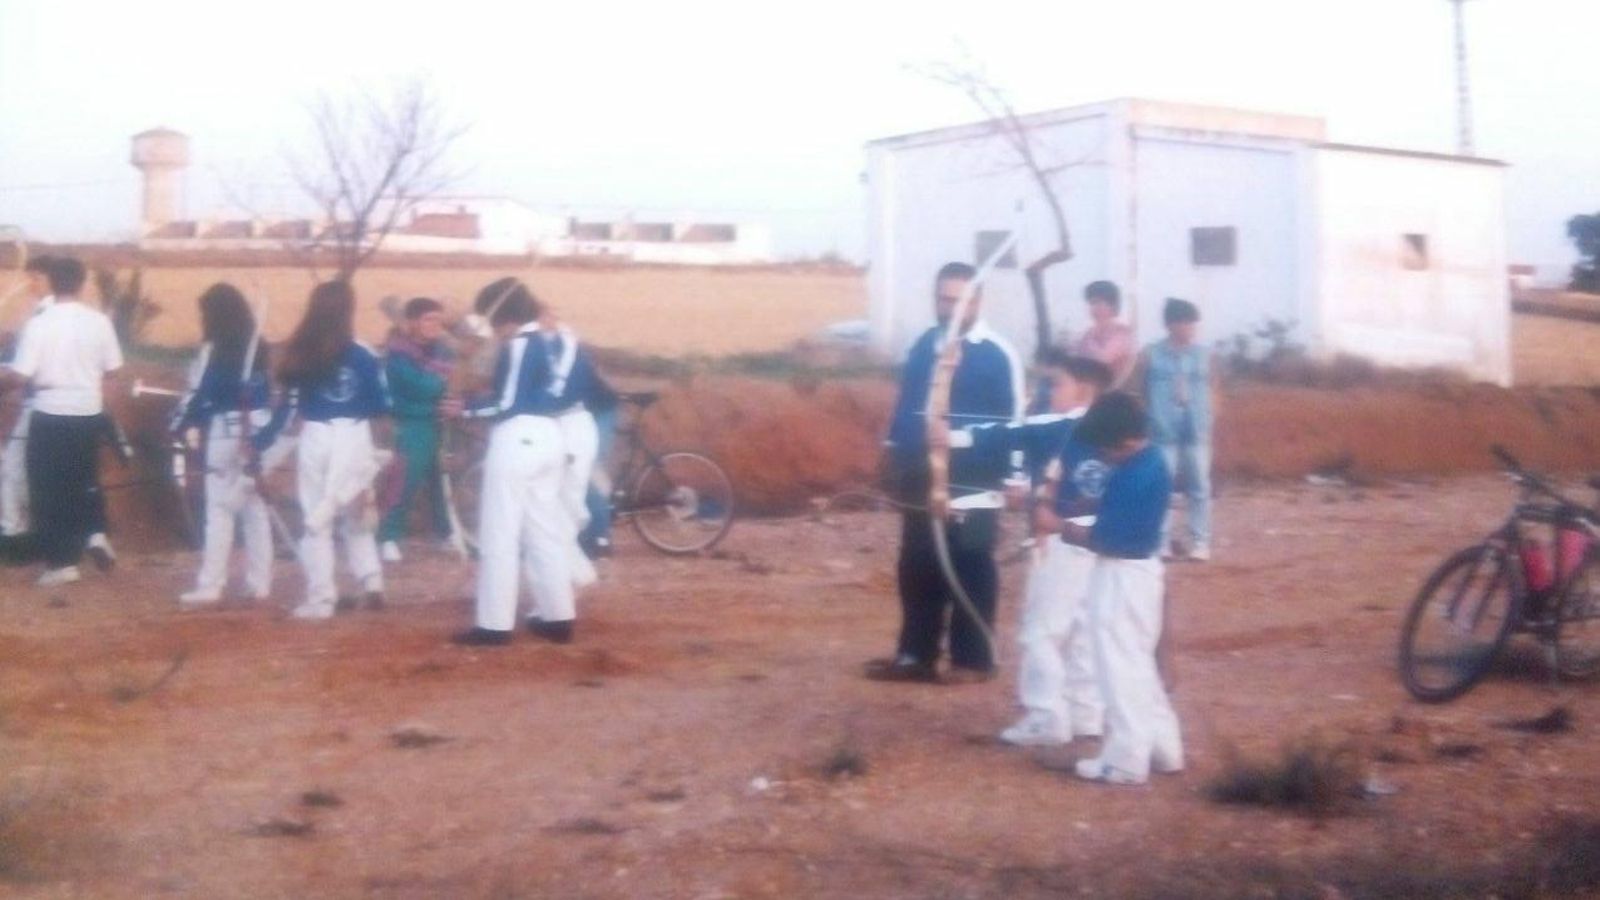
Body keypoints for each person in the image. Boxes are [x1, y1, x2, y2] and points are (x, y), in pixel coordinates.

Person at [943, 351, 1113, 746]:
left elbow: (1008, 434)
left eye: (1059, 384)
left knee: (1041, 632)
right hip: (1098, 544)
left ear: (1083, 391)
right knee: (1082, 629)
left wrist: (950, 436)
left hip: (1059, 541)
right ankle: (1086, 714)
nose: (1051, 390)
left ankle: (1046, 717)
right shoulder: (1111, 432)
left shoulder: (1059, 425)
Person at [868, 261, 1024, 684]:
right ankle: (915, 654)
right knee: (918, 561)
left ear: (976, 301)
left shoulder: (997, 353)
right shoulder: (923, 346)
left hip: (976, 477)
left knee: (970, 560)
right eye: (943, 299)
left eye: (958, 300)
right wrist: (893, 452)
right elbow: (907, 403)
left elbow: (1012, 420)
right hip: (921, 472)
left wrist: (1013, 476)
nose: (949, 308)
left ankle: (972, 659)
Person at [1062, 391, 1184, 785]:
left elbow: (1107, 539)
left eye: (1104, 447)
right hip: (1140, 573)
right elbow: (1113, 513)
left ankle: (1126, 759)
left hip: (1122, 574)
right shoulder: (1148, 462)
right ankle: (1163, 747)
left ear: (1125, 441)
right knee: (1137, 662)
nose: (1102, 454)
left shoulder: (1134, 471)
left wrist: (1064, 529)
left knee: (1118, 666)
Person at [253, 280, 390, 620]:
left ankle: (322, 598)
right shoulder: (365, 354)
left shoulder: (301, 352)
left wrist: (259, 443)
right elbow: (381, 404)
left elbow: (288, 411)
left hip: (318, 436)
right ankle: (371, 581)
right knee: (356, 510)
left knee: (316, 518)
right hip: (356, 437)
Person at [449, 279, 575, 646]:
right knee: (543, 531)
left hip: (518, 437)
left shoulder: (519, 345)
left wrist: (466, 408)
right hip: (550, 436)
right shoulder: (552, 342)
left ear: (504, 316)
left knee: (499, 532)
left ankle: (494, 624)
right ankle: (558, 616)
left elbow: (506, 404)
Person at [0, 256, 123, 587]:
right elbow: (112, 371)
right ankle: (94, 535)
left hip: (51, 411)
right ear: (82, 284)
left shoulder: (40, 323)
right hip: (87, 411)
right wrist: (101, 410)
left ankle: (60, 562)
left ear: (52, 282)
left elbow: (21, 375)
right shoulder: (99, 322)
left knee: (48, 489)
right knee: (81, 481)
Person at [171, 283, 276, 607]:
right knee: (253, 508)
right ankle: (259, 583)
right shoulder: (259, 346)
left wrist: (181, 424)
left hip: (226, 430)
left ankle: (211, 585)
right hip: (258, 427)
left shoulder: (215, 350)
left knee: (219, 509)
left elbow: (205, 395)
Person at [1135, 298, 1215, 562]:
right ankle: (1161, 541)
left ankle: (1200, 542)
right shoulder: (1150, 354)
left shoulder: (1205, 354)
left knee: (1199, 486)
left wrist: (1210, 417)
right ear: (1171, 324)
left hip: (1196, 428)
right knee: (1162, 486)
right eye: (1186, 322)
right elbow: (1140, 389)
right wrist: (1147, 419)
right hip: (1162, 426)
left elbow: (1214, 388)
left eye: (1193, 322)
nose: (1191, 327)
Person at [378, 297, 456, 563]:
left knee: (441, 481)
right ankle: (387, 536)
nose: (435, 325)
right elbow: (426, 386)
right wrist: (442, 381)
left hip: (437, 422)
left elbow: (445, 382)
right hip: (412, 424)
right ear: (412, 323)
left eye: (438, 319)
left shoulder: (440, 352)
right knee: (404, 480)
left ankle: (445, 532)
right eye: (428, 319)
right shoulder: (399, 355)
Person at [0, 254, 55, 553]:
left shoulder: (42, 318)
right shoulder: (42, 315)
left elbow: (23, 370)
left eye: (34, 278)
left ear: (47, 278)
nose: (30, 284)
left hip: (40, 403)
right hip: (51, 403)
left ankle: (14, 534)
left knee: (14, 467)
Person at [1072, 281, 1136, 388]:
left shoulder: (1123, 334)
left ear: (1112, 305)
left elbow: (1101, 360)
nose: (1093, 308)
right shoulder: (1087, 335)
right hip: (1088, 394)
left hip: (1114, 395)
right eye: (1091, 303)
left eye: (1098, 302)